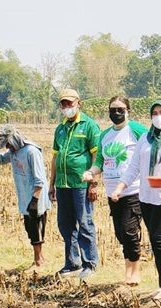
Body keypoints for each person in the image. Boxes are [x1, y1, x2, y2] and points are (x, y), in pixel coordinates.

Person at [111, 100, 161, 299]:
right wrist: (120, 187)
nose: (158, 116)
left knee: (159, 239)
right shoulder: (145, 138)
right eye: (154, 113)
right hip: (146, 196)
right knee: (153, 239)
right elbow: (134, 167)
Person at [82, 96, 147, 285]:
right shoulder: (105, 135)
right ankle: (128, 270)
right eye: (113, 110)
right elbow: (100, 162)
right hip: (112, 192)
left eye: (120, 109)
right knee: (120, 233)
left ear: (128, 110)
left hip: (133, 190)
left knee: (129, 231)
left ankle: (134, 273)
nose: (116, 113)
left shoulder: (136, 130)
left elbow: (152, 145)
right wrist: (90, 172)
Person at [0, 125, 52, 271]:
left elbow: (40, 179)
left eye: (8, 143)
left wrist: (35, 200)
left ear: (14, 139)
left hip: (35, 197)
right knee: (30, 229)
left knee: (36, 228)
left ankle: (39, 261)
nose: (7, 147)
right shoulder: (13, 152)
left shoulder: (31, 152)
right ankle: (39, 258)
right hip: (25, 197)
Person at [50, 89, 100, 280]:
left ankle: (90, 263)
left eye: (70, 103)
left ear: (79, 103)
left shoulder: (89, 126)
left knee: (85, 222)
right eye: (63, 104)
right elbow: (55, 158)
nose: (67, 107)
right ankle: (72, 263)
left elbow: (97, 156)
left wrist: (93, 183)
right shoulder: (60, 129)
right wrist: (51, 184)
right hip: (63, 184)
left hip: (81, 184)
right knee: (65, 224)